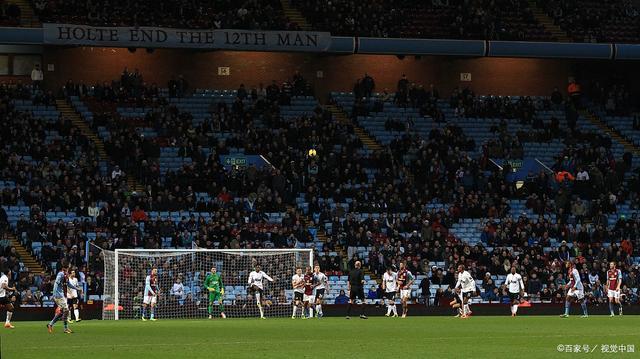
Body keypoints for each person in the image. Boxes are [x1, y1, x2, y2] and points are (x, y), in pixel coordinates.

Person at [47, 261, 80, 334]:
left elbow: (68, 284)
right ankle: (65, 328)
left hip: (61, 295)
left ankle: (50, 324)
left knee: (62, 311)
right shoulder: (60, 274)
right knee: (66, 310)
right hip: (58, 295)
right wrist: (54, 294)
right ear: (67, 267)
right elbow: (56, 283)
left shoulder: (66, 275)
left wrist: (77, 288)